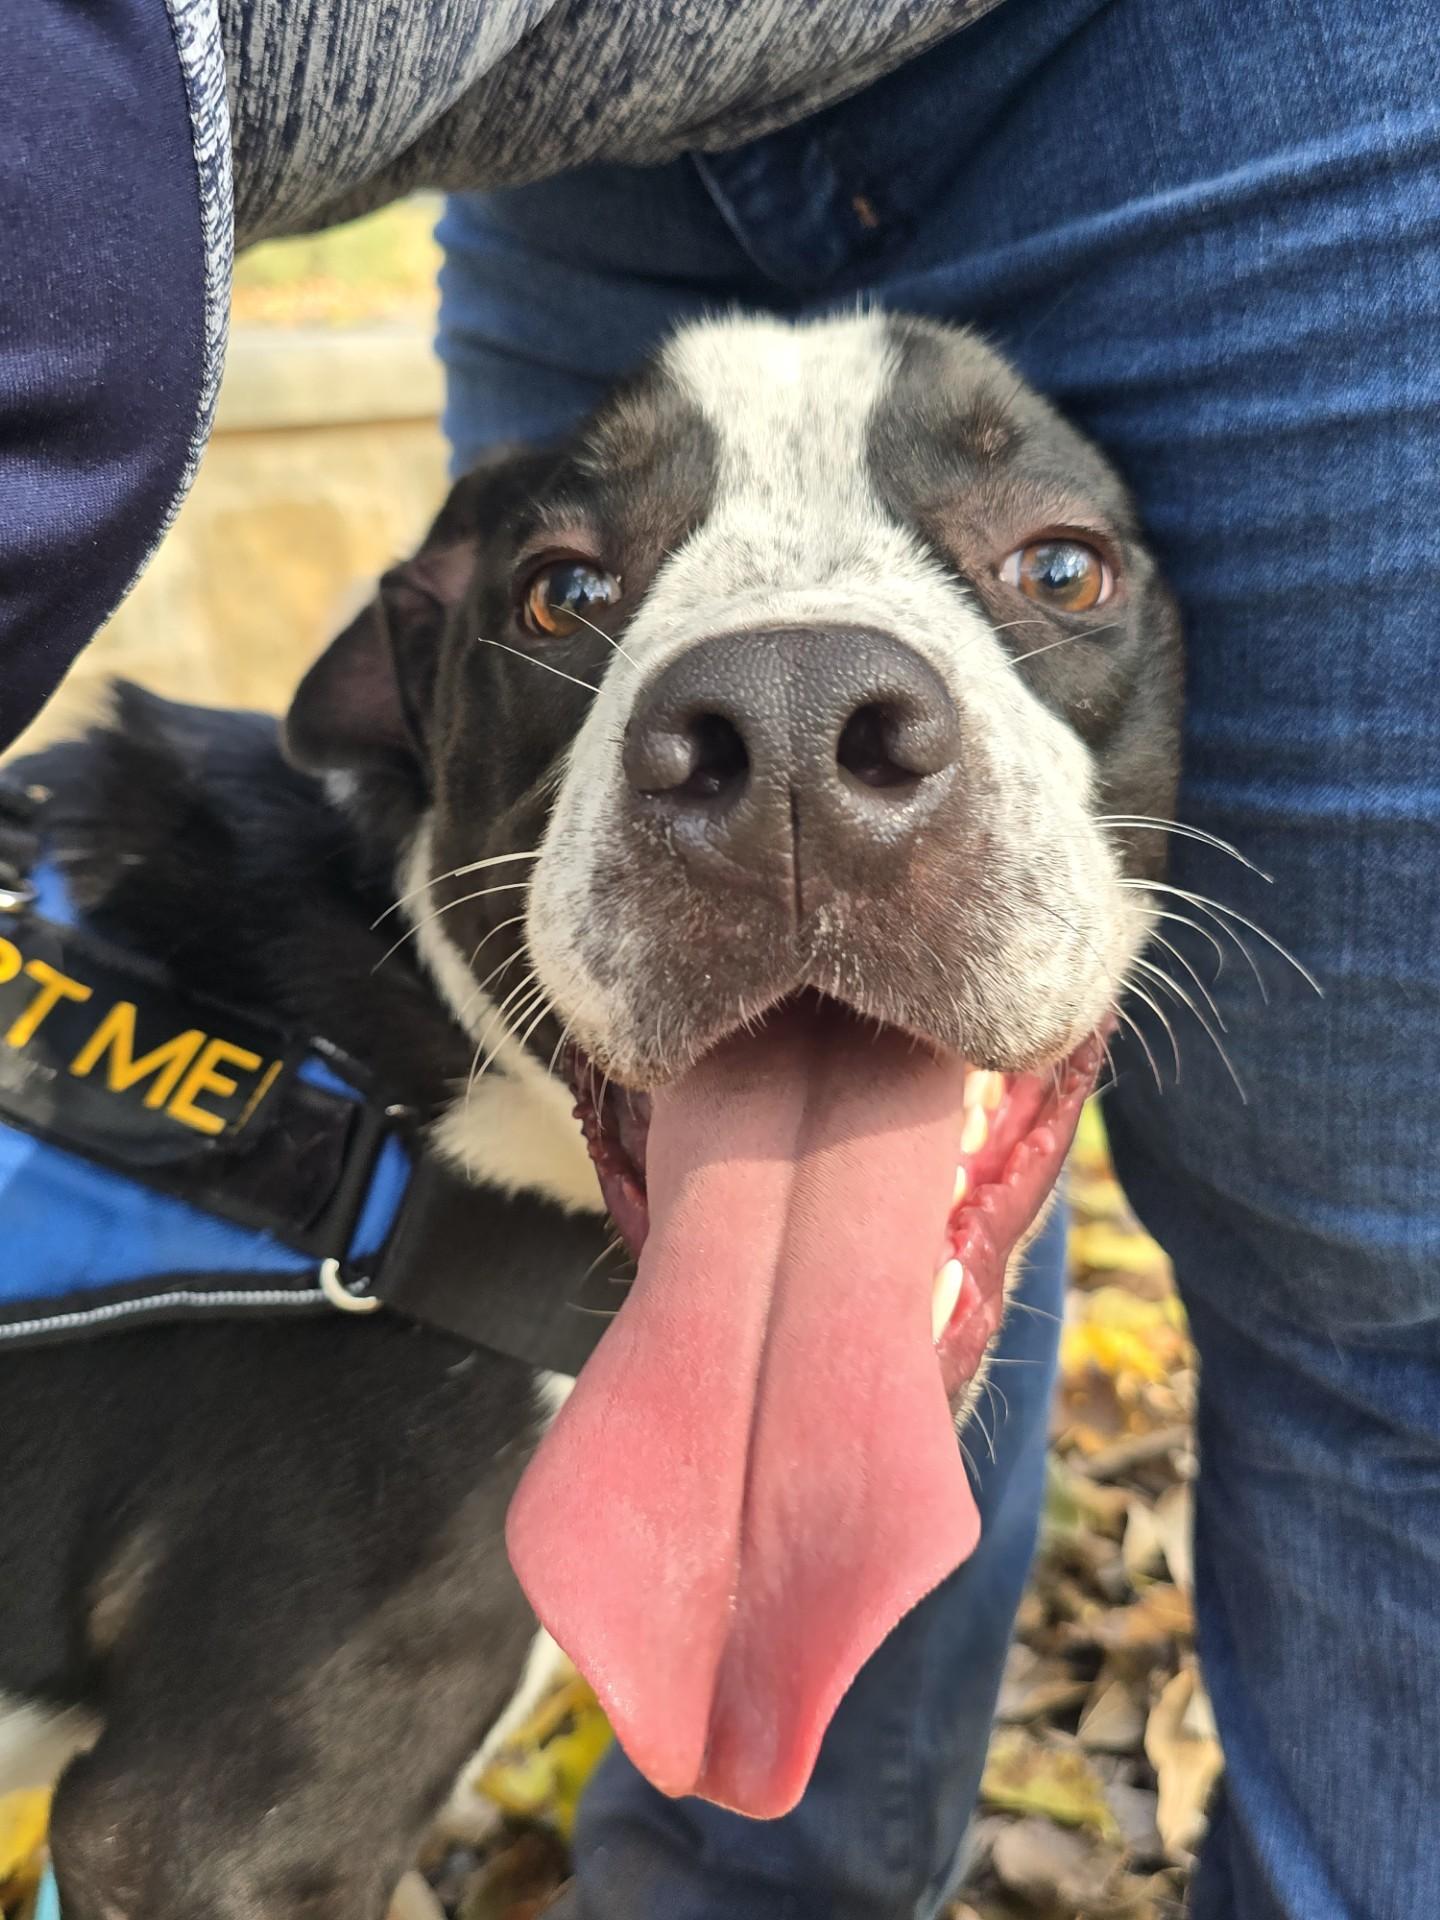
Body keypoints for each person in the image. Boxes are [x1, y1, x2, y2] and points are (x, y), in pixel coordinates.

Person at [6, 4, 1439, 1915]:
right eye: (577, 596)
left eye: (1058, 572)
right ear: (408, 689)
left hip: (1254, 101)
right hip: (569, 155)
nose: (795, 713)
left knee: (1381, 1306)